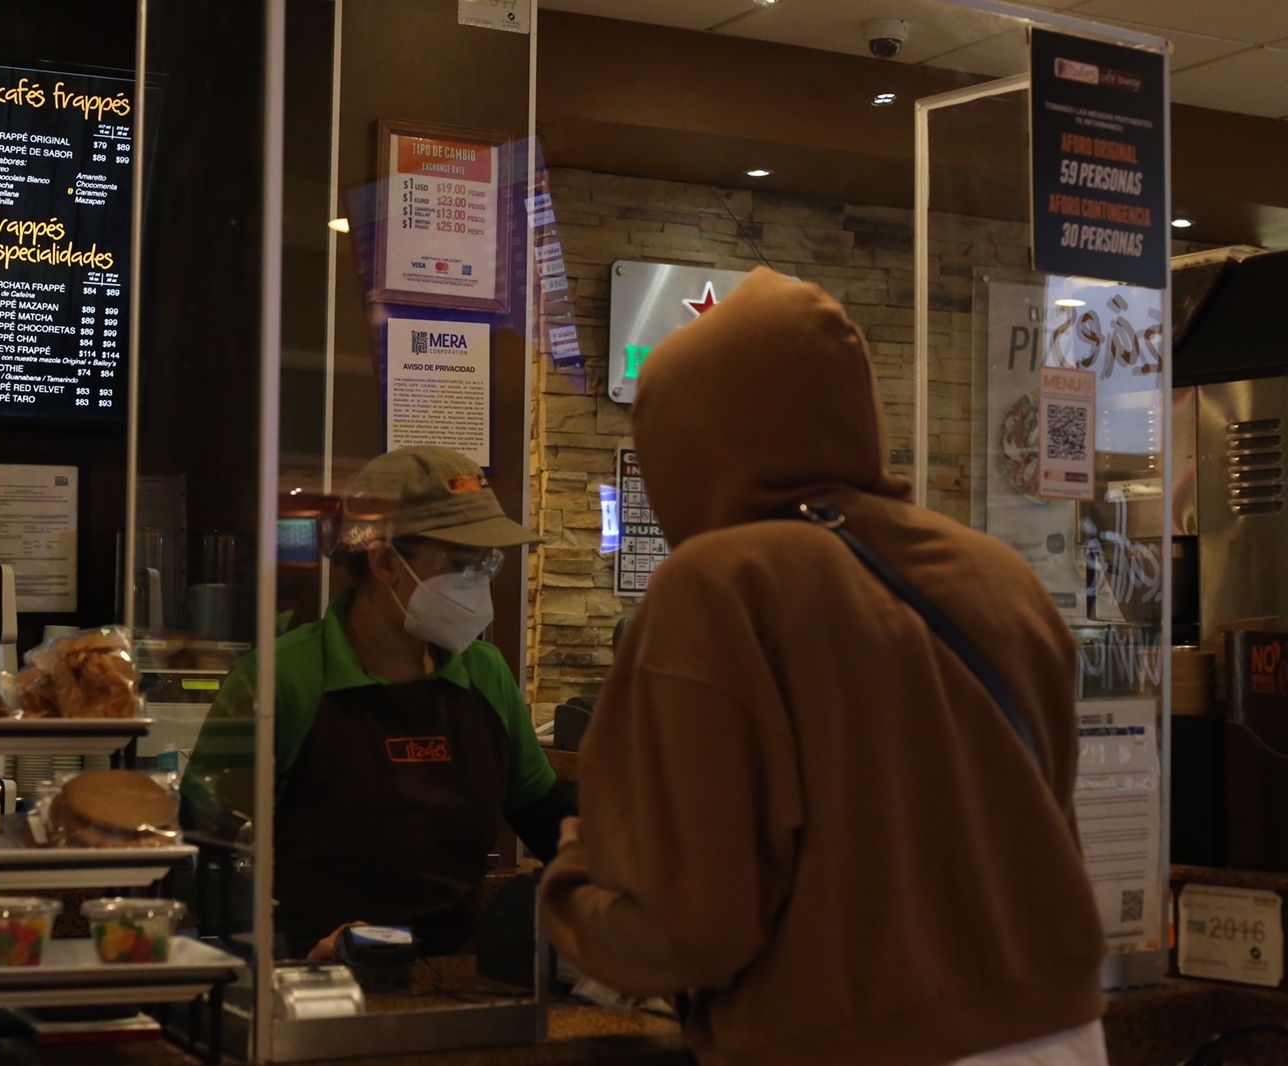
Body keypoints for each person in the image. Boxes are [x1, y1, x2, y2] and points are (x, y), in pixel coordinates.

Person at [540, 269, 1107, 1066]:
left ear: (685, 441)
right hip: (1064, 1033)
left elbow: (690, 927)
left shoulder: (720, 586)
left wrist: (572, 878)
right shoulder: (998, 576)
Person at [184, 445, 572, 958]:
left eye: (488, 562)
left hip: (457, 981)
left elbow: (549, 821)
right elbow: (198, 852)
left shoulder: (486, 674)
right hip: (315, 982)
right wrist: (275, 954)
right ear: (386, 561)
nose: (480, 580)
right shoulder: (280, 680)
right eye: (460, 561)